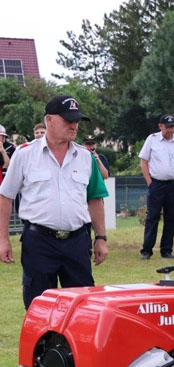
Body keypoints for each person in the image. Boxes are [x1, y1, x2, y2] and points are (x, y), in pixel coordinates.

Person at [0, 95, 108, 308]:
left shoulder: (86, 158)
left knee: (82, 307)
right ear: (49, 120)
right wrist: (3, 239)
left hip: (77, 242)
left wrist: (101, 238)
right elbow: (6, 196)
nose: (74, 125)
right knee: (38, 308)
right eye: (68, 120)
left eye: (76, 121)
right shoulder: (24, 154)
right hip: (39, 242)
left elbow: (95, 199)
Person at [138, 114, 174, 260]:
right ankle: (147, 250)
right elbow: (143, 161)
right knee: (152, 217)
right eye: (167, 127)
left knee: (172, 217)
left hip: (173, 184)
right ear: (160, 126)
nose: (170, 130)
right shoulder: (152, 139)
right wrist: (150, 182)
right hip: (157, 183)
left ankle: (166, 250)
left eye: (172, 126)